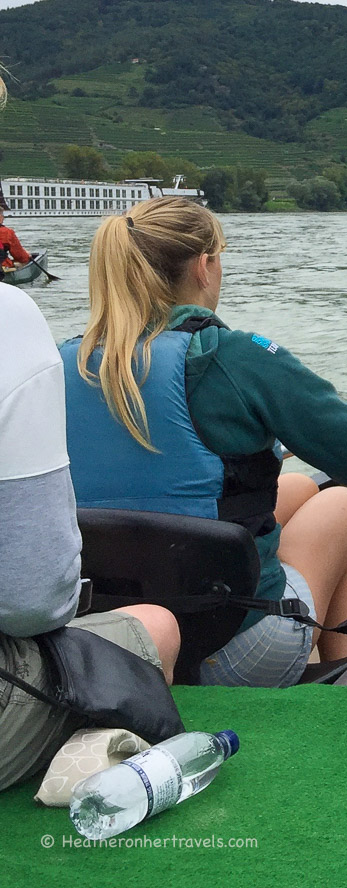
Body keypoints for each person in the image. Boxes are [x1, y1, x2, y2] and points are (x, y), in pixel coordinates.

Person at [63, 196, 347, 688]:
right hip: (224, 650)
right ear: (205, 265)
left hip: (106, 638)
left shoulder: (63, 363)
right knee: (344, 504)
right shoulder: (231, 356)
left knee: (296, 490)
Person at [1, 64, 179, 791]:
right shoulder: (13, 327)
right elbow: (32, 596)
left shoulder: (73, 354)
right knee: (156, 626)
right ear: (205, 266)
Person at [0, 204, 32, 273]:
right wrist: (27, 255)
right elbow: (20, 256)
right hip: (2, 267)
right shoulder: (7, 232)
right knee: (22, 263)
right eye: (3, 216)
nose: (3, 218)